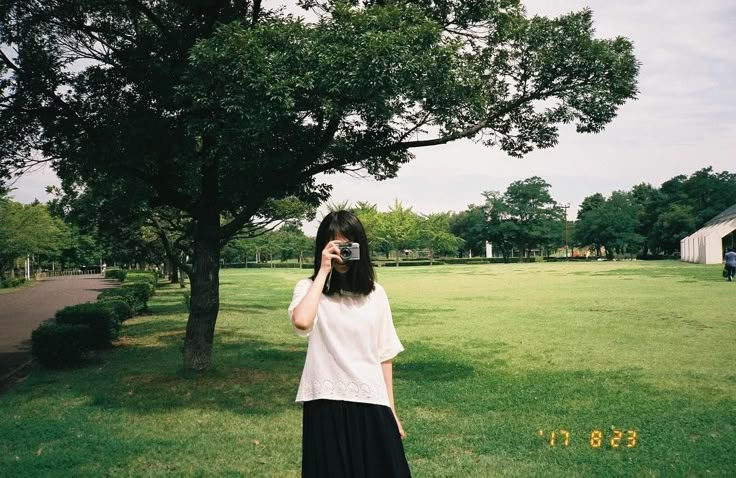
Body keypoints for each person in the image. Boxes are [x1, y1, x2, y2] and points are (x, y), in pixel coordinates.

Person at [288, 210, 412, 478]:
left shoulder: (376, 294)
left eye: (348, 245)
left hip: (371, 399)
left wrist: (392, 411)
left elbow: (384, 354)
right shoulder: (308, 289)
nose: (341, 253)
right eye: (334, 245)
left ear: (360, 248)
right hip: (325, 402)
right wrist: (322, 272)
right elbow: (302, 321)